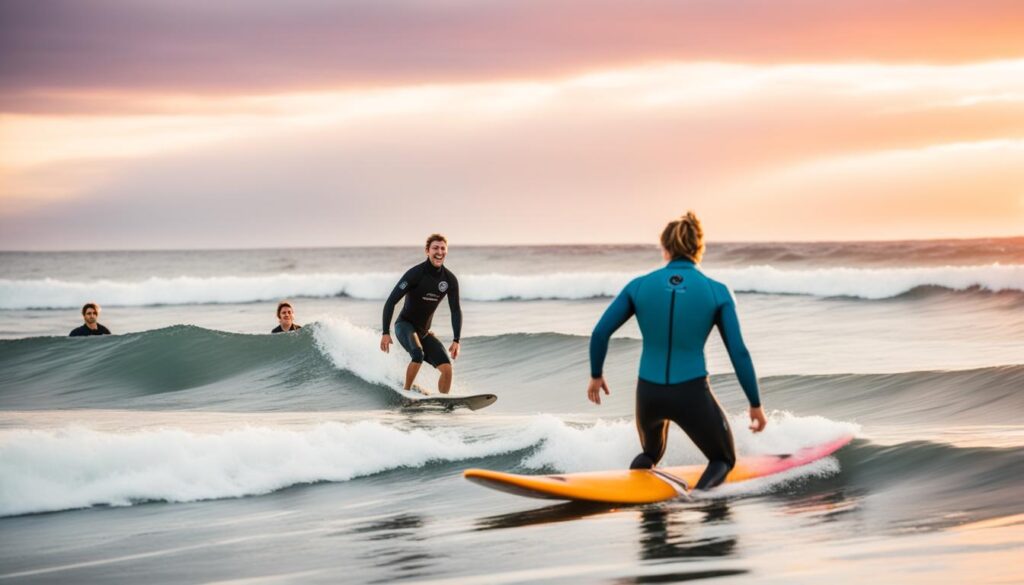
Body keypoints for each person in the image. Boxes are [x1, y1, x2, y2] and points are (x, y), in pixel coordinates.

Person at [587, 211, 767, 491]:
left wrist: (596, 374)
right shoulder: (716, 291)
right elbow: (738, 352)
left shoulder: (639, 286)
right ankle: (696, 502)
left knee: (650, 454)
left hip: (649, 393)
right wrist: (755, 404)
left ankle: (637, 499)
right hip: (691, 393)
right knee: (722, 459)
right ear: (698, 248)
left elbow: (600, 333)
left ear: (666, 248)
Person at [380, 233, 462, 394]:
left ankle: (443, 402)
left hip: (423, 332)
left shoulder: (450, 280)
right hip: (404, 325)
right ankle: (407, 392)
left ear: (447, 251)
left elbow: (455, 310)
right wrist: (385, 332)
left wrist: (456, 340)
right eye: (435, 248)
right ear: (427, 251)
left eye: (443, 248)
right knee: (417, 354)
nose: (439, 252)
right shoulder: (415, 274)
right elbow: (390, 302)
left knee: (447, 368)